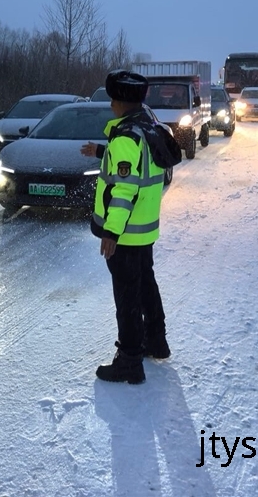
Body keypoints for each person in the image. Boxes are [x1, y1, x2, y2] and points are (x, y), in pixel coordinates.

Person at [81, 69, 169, 385]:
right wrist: (101, 151)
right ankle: (156, 341)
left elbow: (124, 188)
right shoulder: (147, 128)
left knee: (127, 297)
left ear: (121, 102)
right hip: (144, 230)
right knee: (145, 286)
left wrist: (111, 232)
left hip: (126, 234)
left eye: (113, 100)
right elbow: (135, 164)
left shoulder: (125, 137)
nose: (110, 106)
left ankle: (130, 361)